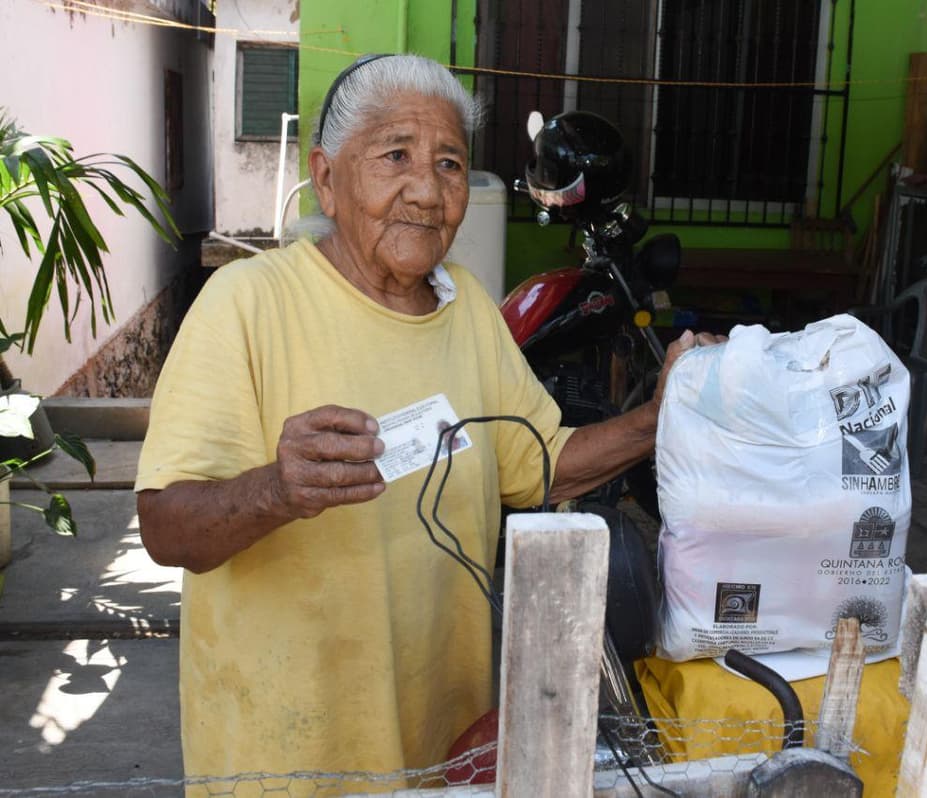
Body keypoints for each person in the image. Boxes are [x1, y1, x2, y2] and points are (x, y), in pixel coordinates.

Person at [135, 53, 714, 787]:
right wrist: (275, 489)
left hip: (442, 749)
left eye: (449, 163)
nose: (428, 191)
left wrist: (662, 416)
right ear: (327, 178)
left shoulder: (467, 305)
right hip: (287, 760)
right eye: (395, 156)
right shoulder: (245, 304)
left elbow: (537, 462)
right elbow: (166, 528)